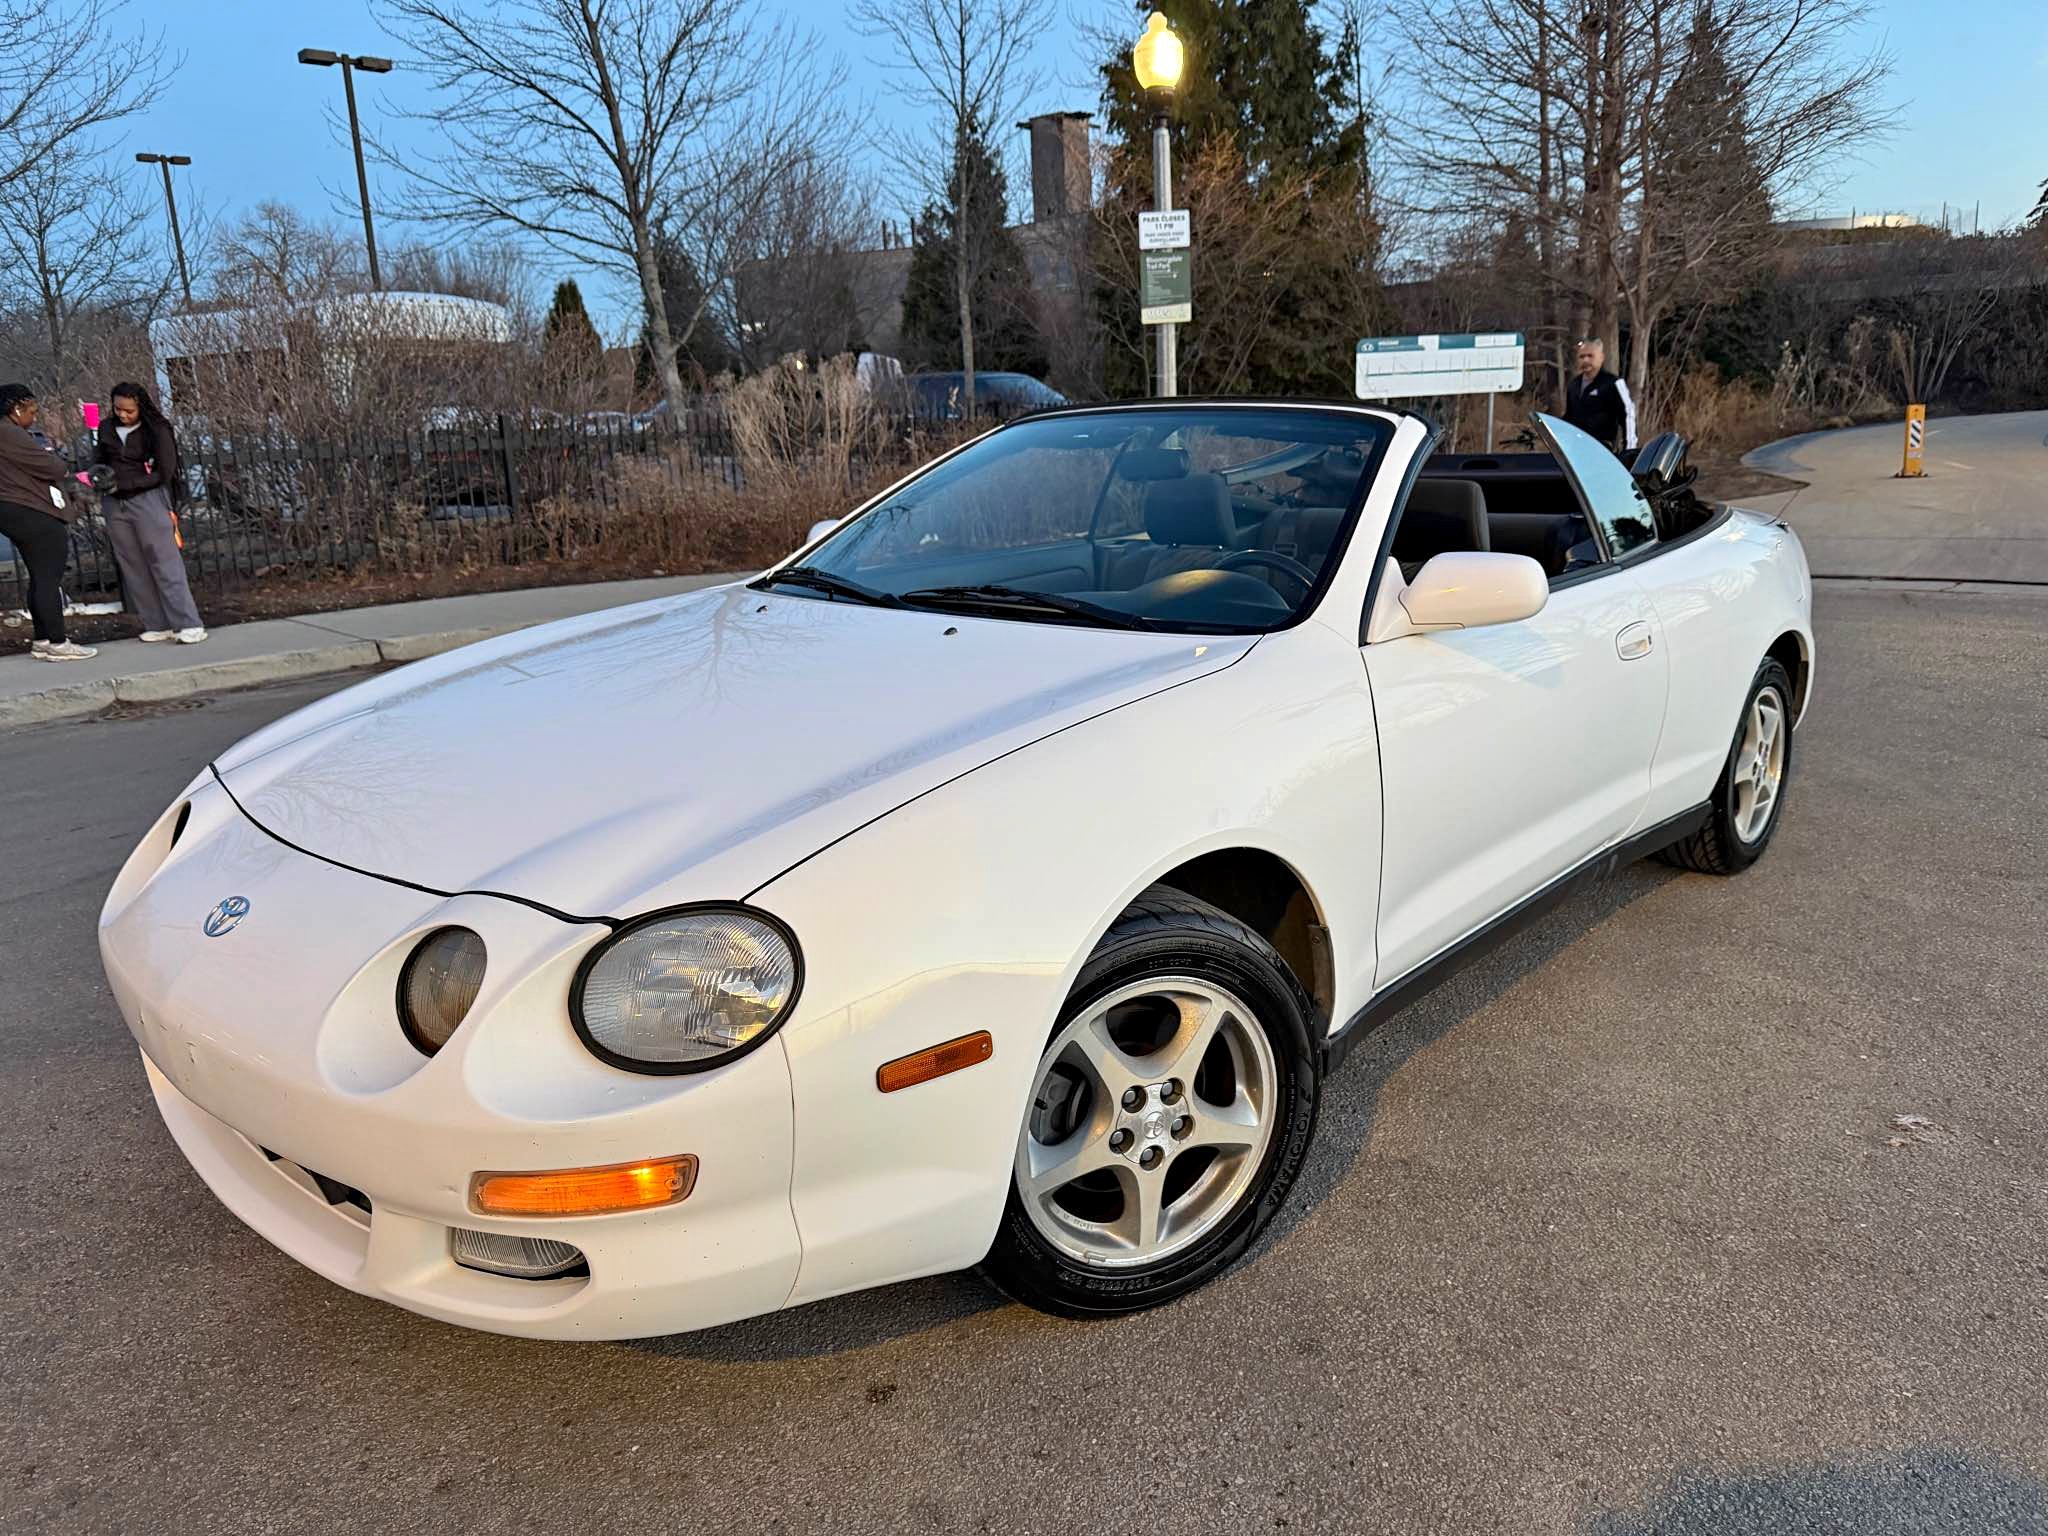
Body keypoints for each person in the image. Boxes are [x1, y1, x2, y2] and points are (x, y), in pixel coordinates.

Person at [96, 381, 205, 644]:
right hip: (114, 503)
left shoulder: (157, 429)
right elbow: (99, 458)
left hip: (148, 499)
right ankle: (156, 623)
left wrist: (130, 483)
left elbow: (165, 471)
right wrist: (98, 476)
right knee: (133, 565)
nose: (122, 415)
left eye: (129, 410)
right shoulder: (107, 428)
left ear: (140, 408)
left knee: (164, 562)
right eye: (117, 409)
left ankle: (188, 622)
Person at [0, 382, 97, 661]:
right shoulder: (9, 433)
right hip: (31, 509)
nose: (35, 417)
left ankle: (42, 639)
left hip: (14, 509)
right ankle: (58, 642)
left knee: (39, 575)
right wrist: (51, 456)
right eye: (32, 410)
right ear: (16, 408)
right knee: (48, 577)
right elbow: (54, 466)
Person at [1563, 338, 1638, 457]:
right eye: (1582, 357)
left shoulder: (1614, 383)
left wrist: (1629, 451)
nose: (1586, 360)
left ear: (1601, 357)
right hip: (1576, 452)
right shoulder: (1574, 385)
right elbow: (1569, 417)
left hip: (1603, 451)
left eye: (1590, 356)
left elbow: (1628, 415)